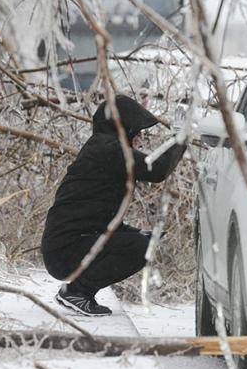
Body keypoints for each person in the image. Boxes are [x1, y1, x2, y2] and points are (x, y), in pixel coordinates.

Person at [41, 94, 186, 316]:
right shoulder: (108, 150)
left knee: (143, 241)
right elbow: (156, 170)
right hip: (65, 250)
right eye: (135, 131)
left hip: (68, 245)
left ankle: (78, 290)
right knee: (142, 248)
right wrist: (180, 138)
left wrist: (133, 232)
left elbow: (96, 215)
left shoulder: (103, 147)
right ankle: (76, 292)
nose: (139, 137)